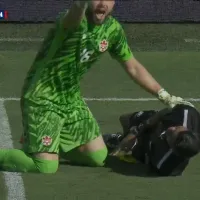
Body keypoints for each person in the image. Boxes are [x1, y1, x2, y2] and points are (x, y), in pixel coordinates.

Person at [0, 0, 193, 173]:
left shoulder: (113, 30)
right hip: (42, 97)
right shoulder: (71, 21)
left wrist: (164, 96)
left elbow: (132, 66)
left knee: (97, 156)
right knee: (45, 167)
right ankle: (31, 151)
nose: (102, 3)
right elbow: (72, 19)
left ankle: (44, 144)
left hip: (71, 99)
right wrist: (79, 5)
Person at [104, 105, 200, 176]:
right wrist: (135, 132)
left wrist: (133, 148)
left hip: (152, 149)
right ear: (187, 128)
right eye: (176, 128)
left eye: (170, 135)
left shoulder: (165, 164)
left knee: (135, 152)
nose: (171, 129)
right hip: (157, 123)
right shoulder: (186, 114)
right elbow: (164, 112)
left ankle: (120, 140)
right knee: (125, 119)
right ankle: (123, 137)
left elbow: (147, 164)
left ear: (173, 149)